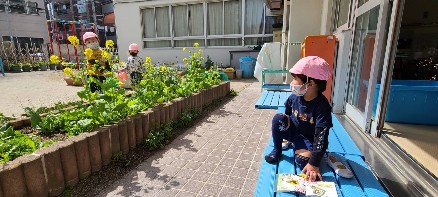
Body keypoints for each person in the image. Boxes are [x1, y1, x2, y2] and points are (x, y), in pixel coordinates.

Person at [264, 56, 333, 182]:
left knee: (303, 162)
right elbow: (287, 115)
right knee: (278, 119)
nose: (292, 83)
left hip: (308, 140)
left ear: (310, 83)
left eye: (295, 78)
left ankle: (300, 149)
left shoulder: (322, 106)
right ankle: (277, 149)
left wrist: (314, 164)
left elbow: (321, 137)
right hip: (294, 132)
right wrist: (284, 131)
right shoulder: (294, 97)